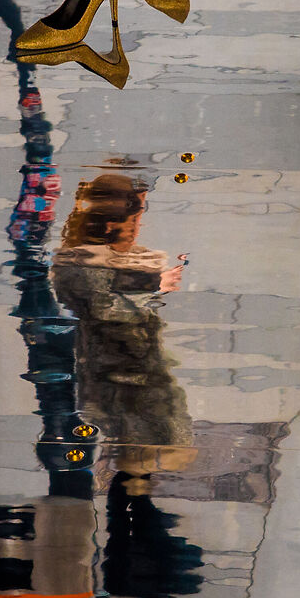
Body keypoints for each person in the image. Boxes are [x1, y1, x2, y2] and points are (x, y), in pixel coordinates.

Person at [52, 176, 193, 487]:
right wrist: (154, 286)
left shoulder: (111, 258)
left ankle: (128, 494)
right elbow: (102, 308)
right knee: (138, 457)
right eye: (133, 217)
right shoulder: (80, 260)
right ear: (109, 220)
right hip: (120, 377)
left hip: (137, 373)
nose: (138, 224)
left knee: (147, 455)